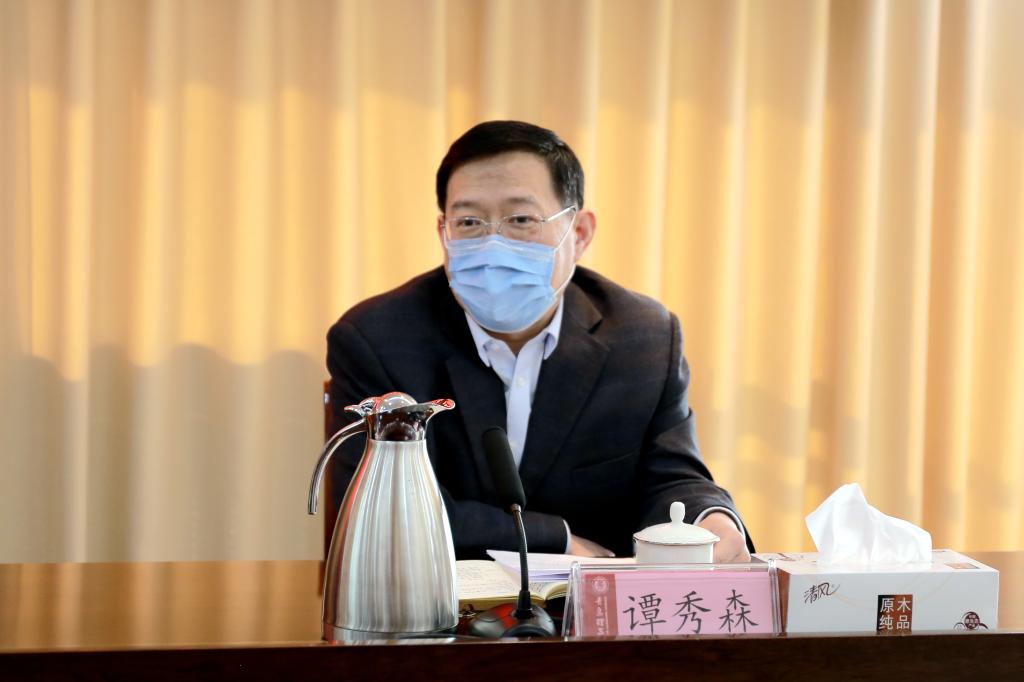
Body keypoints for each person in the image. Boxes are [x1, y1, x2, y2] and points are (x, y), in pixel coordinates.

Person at [326, 120, 752, 561]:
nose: (493, 244)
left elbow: (671, 477)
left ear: (579, 233)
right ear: (443, 233)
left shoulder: (644, 338)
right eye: (468, 222)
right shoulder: (378, 339)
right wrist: (555, 538)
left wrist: (711, 520)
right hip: (440, 596)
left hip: (593, 601)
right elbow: (386, 509)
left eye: (521, 220)